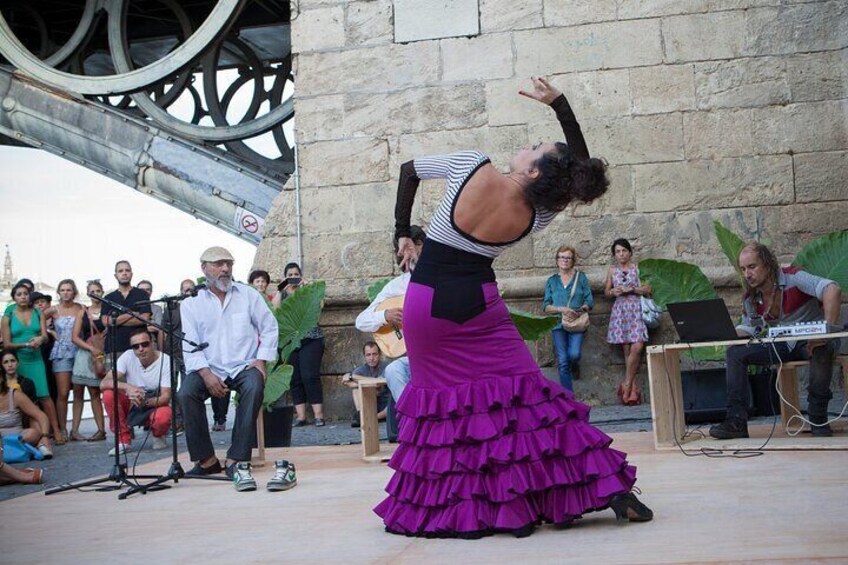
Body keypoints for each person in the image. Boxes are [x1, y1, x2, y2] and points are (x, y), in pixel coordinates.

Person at [374, 77, 651, 538]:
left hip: (427, 305)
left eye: (534, 146)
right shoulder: (539, 215)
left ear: (537, 171)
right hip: (482, 307)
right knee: (530, 398)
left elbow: (408, 171)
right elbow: (580, 170)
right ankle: (611, 489)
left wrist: (402, 232)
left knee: (443, 409)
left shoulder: (470, 164)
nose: (526, 145)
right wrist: (560, 106)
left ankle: (452, 506)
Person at [178, 246, 286, 492]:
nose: (225, 269)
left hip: (243, 364)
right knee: (186, 393)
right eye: (218, 264)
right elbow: (189, 343)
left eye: (228, 263)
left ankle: (237, 458)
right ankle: (206, 460)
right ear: (204, 268)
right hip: (208, 367)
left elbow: (269, 327)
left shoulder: (248, 295)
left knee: (254, 384)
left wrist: (261, 360)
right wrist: (206, 374)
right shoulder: (191, 303)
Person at [710, 241, 843, 440]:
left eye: (752, 267)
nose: (747, 274)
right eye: (743, 269)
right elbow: (750, 327)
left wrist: (826, 332)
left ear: (768, 263)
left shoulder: (794, 277)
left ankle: (818, 419)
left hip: (813, 339)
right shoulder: (752, 297)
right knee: (735, 353)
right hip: (783, 343)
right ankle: (736, 421)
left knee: (820, 350)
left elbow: (832, 289)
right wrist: (722, 334)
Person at [354, 226, 427, 405]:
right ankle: (413, 417)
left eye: (418, 244)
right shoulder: (396, 287)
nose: (414, 250)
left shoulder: (439, 279)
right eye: (408, 246)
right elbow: (361, 321)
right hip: (414, 358)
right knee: (393, 370)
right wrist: (385, 316)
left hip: (440, 355)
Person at [1, 283, 62, 443]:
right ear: (14, 297)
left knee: (45, 395)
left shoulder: (37, 312)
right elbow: (6, 343)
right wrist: (26, 344)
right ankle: (33, 434)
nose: (23, 297)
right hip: (18, 359)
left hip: (36, 359)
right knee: (21, 395)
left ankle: (56, 430)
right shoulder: (9, 313)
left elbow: (45, 336)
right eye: (19, 294)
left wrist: (40, 339)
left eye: (25, 294)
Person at [100, 329, 173, 454]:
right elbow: (104, 383)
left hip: (153, 401)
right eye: (135, 346)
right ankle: (123, 440)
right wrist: (127, 387)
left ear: (153, 343)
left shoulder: (165, 361)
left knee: (163, 416)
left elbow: (165, 397)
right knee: (108, 394)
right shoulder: (128, 356)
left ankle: (158, 434)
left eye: (145, 344)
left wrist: (144, 402)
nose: (140, 349)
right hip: (131, 399)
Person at [274, 262, 325, 427]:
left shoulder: (306, 291)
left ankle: (319, 415)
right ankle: (301, 417)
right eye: (290, 275)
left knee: (310, 376)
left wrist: (309, 288)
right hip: (290, 341)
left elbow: (320, 306)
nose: (293, 277)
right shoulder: (282, 294)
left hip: (311, 339)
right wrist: (281, 288)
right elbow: (275, 311)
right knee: (295, 379)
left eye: (296, 274)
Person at [604, 238, 651, 406]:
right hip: (621, 310)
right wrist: (614, 291)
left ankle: (626, 384)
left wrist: (631, 289)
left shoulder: (637, 269)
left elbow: (648, 288)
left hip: (636, 309)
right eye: (617, 252)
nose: (621, 254)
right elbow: (606, 292)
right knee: (626, 350)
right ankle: (632, 390)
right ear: (614, 255)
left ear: (630, 252)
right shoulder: (612, 270)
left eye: (624, 251)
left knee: (637, 347)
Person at [543, 246, 593, 391]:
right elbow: (546, 306)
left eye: (568, 258)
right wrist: (561, 309)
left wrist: (583, 307)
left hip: (576, 322)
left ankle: (575, 364)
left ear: (573, 261)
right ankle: (568, 397)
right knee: (562, 361)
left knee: (574, 354)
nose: (564, 260)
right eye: (561, 257)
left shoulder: (581, 277)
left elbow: (589, 301)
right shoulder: (552, 281)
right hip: (558, 324)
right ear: (557, 260)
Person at [44, 279, 84, 442]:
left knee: (79, 391)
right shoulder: (53, 310)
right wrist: (47, 332)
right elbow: (39, 317)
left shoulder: (80, 308)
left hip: (79, 351)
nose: (66, 292)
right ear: (58, 292)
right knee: (63, 392)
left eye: (69, 290)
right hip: (61, 352)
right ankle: (62, 429)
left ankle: (75, 429)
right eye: (63, 290)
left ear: (74, 292)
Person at [70, 280, 108, 442]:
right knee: (78, 393)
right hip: (85, 355)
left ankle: (101, 430)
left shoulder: (107, 311)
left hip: (101, 355)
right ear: (88, 293)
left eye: (98, 291)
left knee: (94, 393)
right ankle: (75, 430)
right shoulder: (83, 312)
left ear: (102, 292)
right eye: (92, 291)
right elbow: (74, 337)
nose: (95, 294)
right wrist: (91, 348)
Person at [1, 349, 54, 459]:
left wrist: (45, 436)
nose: (10, 365)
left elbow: (40, 415)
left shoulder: (20, 389)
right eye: (6, 362)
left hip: (19, 431)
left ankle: (38, 444)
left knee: (33, 428)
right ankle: (19, 449)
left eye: (12, 361)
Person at [100, 260, 152, 359]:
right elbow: (106, 322)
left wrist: (116, 321)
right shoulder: (108, 298)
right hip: (114, 349)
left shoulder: (142, 294)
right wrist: (130, 314)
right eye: (120, 271)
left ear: (131, 274)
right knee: (113, 375)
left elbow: (144, 318)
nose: (124, 273)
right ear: (115, 275)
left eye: (127, 270)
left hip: (139, 348)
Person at [343, 341, 390, 427]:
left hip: (386, 404)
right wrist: (361, 384)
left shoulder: (387, 367)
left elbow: (377, 383)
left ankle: (371, 418)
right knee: (356, 390)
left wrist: (353, 377)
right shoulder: (361, 370)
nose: (371, 358)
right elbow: (347, 382)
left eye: (374, 354)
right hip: (371, 403)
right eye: (368, 355)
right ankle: (362, 415)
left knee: (395, 400)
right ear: (364, 356)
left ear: (380, 355)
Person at [137, 279, 163, 345]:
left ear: (151, 292)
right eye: (142, 290)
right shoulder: (130, 307)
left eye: (148, 289)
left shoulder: (157, 309)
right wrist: (150, 324)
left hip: (150, 341)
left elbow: (158, 327)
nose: (145, 292)